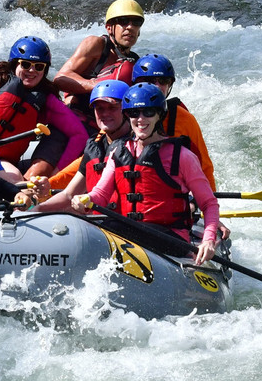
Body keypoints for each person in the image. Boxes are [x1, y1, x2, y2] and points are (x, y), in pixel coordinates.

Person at [64, 83, 221, 266]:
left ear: (159, 115)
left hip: (170, 238)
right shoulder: (118, 152)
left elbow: (209, 204)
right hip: (130, 233)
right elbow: (101, 194)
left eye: (148, 113)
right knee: (90, 226)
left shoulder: (183, 157)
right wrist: (85, 199)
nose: (140, 119)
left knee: (109, 227)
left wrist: (208, 239)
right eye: (134, 113)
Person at [0, 36, 88, 180]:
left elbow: (79, 134)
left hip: (0, 160)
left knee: (16, 181)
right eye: (26, 64)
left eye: (39, 66)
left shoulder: (47, 101)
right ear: (15, 64)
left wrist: (57, 174)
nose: (32, 70)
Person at [53, 0, 143, 130]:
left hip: (108, 125)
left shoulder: (134, 62)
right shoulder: (96, 45)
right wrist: (97, 85)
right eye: (123, 21)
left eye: (136, 22)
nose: (130, 27)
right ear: (109, 28)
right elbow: (60, 78)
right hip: (78, 118)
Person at [130, 53, 216, 190]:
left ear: (170, 84)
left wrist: (209, 204)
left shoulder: (185, 119)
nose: (157, 86)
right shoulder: (125, 114)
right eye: (150, 80)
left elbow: (204, 167)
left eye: (163, 81)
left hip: (171, 194)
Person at [44, 78, 131, 196]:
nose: (105, 114)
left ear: (127, 110)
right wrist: (43, 189)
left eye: (112, 107)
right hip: (96, 208)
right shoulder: (97, 145)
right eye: (100, 108)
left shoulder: (139, 146)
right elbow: (68, 189)